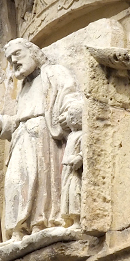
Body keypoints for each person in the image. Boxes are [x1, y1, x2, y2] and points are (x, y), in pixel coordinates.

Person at [0, 39, 79, 241]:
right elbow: (18, 120)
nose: (13, 61)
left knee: (41, 182)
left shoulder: (53, 73)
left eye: (17, 54)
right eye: (9, 58)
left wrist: (70, 114)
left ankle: (39, 225)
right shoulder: (25, 87)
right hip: (22, 139)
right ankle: (17, 231)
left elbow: (70, 97)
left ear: (33, 52)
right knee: (16, 182)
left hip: (44, 137)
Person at [58, 93, 83, 228]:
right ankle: (69, 220)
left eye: (74, 117)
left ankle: (77, 220)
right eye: (70, 116)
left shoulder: (81, 135)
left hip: (75, 171)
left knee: (75, 192)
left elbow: (86, 150)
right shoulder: (72, 135)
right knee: (67, 192)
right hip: (67, 171)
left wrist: (79, 158)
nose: (71, 120)